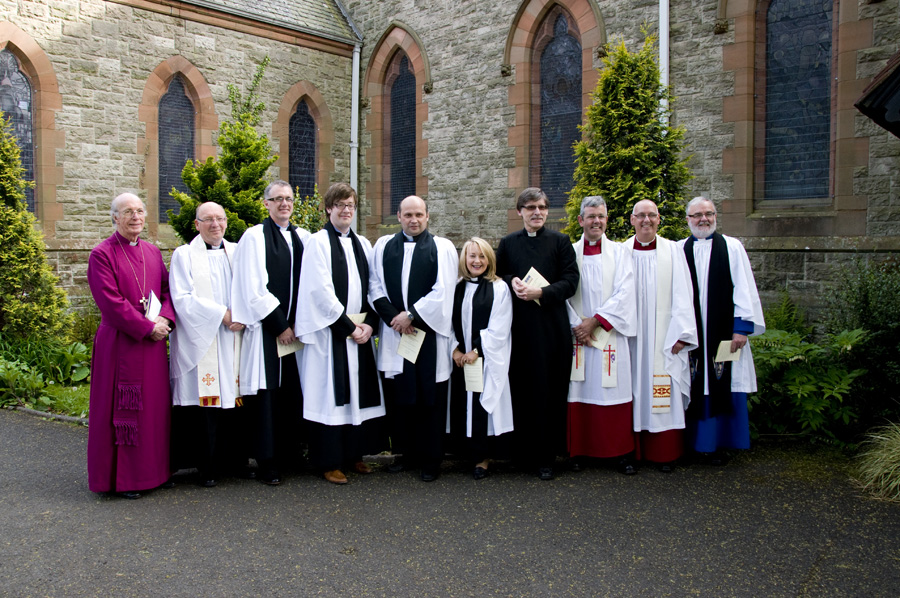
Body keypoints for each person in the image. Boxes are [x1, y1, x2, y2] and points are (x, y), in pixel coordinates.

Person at [295, 183, 386, 484]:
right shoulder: (318, 243)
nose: (346, 210)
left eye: (350, 205)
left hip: (358, 332)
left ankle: (354, 455)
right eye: (340, 205)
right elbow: (319, 290)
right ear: (328, 208)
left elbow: (374, 286)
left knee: (357, 396)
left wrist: (370, 324)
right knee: (330, 397)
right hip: (330, 335)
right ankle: (329, 461)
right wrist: (348, 328)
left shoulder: (363, 243)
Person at [86, 193, 176, 499]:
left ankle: (155, 472)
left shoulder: (152, 251)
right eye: (127, 212)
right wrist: (147, 327)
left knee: (153, 411)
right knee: (124, 410)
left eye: (139, 211)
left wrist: (164, 320)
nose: (135, 217)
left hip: (151, 347)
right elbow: (110, 303)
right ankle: (124, 480)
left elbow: (167, 291)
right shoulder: (102, 254)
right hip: (120, 345)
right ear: (114, 218)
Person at [369, 195, 458, 481]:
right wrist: (393, 317)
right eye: (408, 214)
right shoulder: (383, 246)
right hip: (396, 334)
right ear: (398, 216)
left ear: (428, 216)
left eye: (419, 214)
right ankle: (406, 454)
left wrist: (412, 316)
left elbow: (444, 291)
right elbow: (374, 284)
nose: (414, 219)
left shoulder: (442, 247)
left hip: (428, 334)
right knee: (401, 397)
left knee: (429, 398)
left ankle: (431, 460)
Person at [496, 187, 579, 480]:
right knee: (521, 390)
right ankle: (522, 454)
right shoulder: (508, 243)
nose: (537, 212)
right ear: (520, 212)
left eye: (542, 207)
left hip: (551, 330)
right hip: (518, 329)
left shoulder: (560, 241)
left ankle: (546, 457)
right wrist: (513, 282)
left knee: (549, 393)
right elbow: (499, 275)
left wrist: (540, 292)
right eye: (530, 207)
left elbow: (571, 282)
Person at [231, 180, 310, 485]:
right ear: (266, 204)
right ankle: (268, 461)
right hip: (269, 330)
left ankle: (292, 453)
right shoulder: (254, 237)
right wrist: (280, 325)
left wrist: (299, 325)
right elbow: (253, 288)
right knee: (268, 396)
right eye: (277, 199)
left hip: (299, 331)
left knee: (294, 393)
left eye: (288, 199)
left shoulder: (303, 237)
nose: (284, 204)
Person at [679, 197, 765, 463]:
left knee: (720, 382)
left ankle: (718, 444)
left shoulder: (731, 246)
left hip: (725, 334)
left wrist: (741, 328)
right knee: (692, 384)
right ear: (688, 220)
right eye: (697, 215)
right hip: (691, 335)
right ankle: (691, 445)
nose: (703, 219)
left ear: (715, 216)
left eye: (708, 213)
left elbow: (744, 287)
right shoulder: (680, 248)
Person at [169, 202, 246, 487]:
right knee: (207, 404)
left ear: (227, 222)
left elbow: (250, 288)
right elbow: (182, 298)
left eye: (220, 219)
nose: (215, 224)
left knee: (235, 400)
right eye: (208, 220)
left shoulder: (237, 252)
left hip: (234, 338)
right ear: (196, 224)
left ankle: (235, 461)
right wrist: (222, 315)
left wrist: (243, 315)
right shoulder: (185, 255)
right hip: (203, 342)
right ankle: (207, 466)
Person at [623, 199, 698, 472]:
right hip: (629, 336)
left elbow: (684, 293)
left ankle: (664, 453)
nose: (646, 220)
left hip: (664, 336)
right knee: (630, 387)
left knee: (660, 387)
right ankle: (630, 451)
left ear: (658, 219)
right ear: (631, 220)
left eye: (652, 215)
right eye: (640, 215)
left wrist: (682, 334)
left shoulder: (673, 251)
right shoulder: (621, 252)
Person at [566, 196, 638, 474]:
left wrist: (596, 321)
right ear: (581, 220)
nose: (596, 221)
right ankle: (580, 452)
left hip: (610, 335)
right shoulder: (569, 252)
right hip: (578, 339)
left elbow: (625, 292)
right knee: (580, 390)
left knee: (613, 390)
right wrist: (577, 325)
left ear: (607, 220)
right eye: (591, 216)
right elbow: (562, 292)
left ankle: (619, 453)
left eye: (601, 216)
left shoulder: (620, 253)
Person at [449, 237, 514, 480]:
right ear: (464, 259)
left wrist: (476, 351)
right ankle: (464, 452)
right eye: (472, 256)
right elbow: (446, 321)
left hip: (483, 359)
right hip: (459, 359)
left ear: (490, 259)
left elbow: (500, 325)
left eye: (482, 256)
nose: (477, 261)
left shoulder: (499, 288)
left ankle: (483, 458)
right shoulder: (456, 286)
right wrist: (454, 349)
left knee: (481, 406)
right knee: (460, 404)